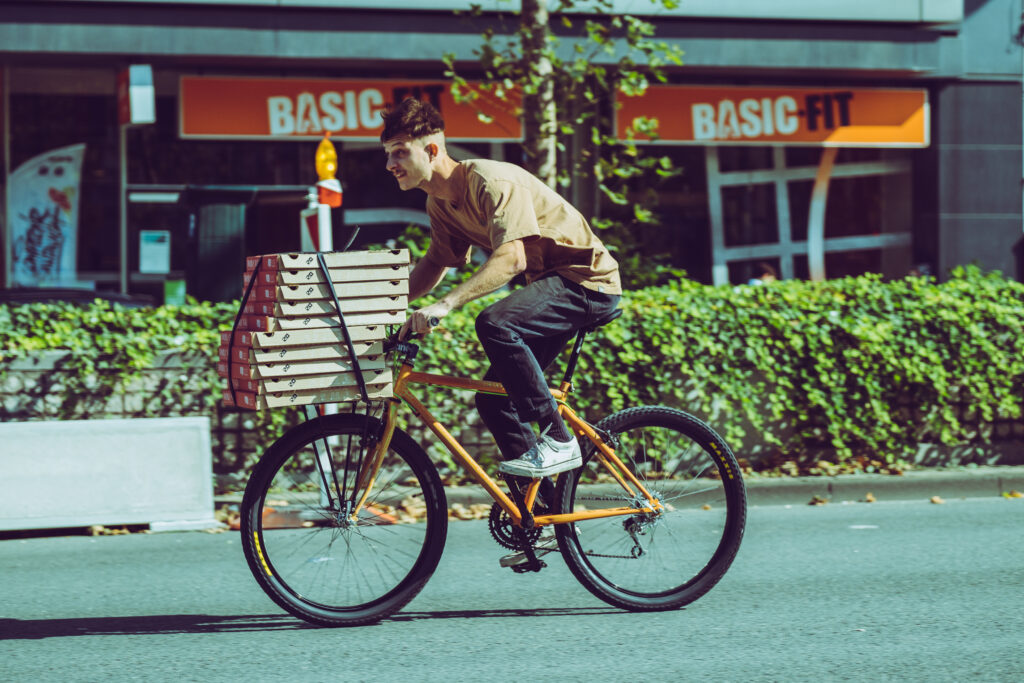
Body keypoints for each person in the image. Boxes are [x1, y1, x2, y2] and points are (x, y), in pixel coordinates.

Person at [382, 98, 621, 565]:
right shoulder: (439, 202)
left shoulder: (492, 180)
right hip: (552, 288)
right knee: (493, 397)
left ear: (432, 150)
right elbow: (437, 263)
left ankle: (558, 440)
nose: (390, 165)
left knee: (494, 322)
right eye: (387, 154)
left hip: (587, 284)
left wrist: (447, 304)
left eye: (399, 152)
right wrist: (387, 308)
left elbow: (511, 259)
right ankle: (545, 517)